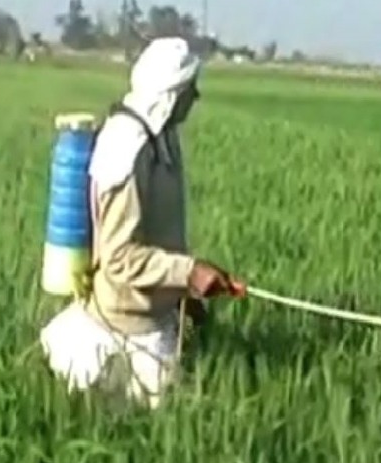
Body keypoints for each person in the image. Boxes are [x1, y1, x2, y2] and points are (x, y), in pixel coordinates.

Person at [39, 36, 244, 409]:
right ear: (170, 92)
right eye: (189, 88)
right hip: (123, 326)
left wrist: (184, 294)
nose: (195, 97)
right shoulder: (126, 150)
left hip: (154, 317)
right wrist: (190, 271)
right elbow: (119, 259)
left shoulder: (161, 136)